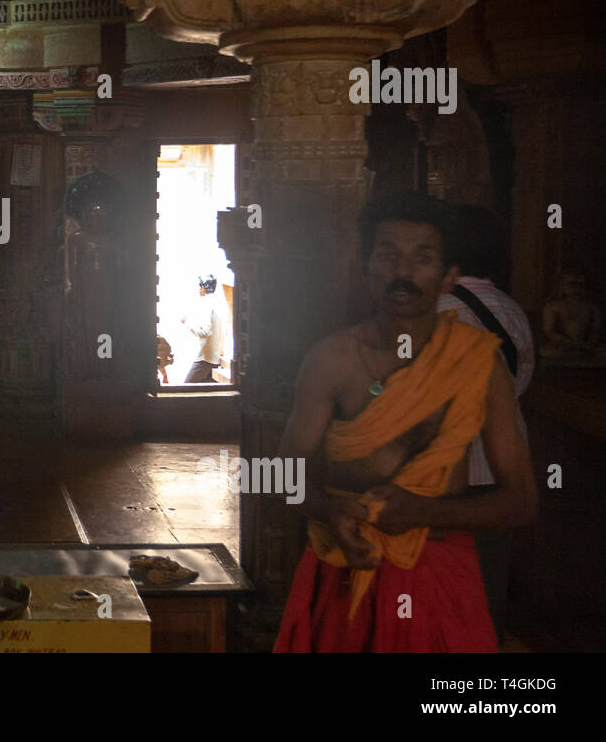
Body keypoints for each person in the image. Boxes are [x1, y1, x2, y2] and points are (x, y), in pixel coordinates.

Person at [274, 191, 537, 652]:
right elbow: (281, 477)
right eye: (387, 255)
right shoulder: (330, 360)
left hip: (442, 572)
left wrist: (424, 513)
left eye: (422, 258)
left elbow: (522, 501)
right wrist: (328, 511)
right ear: (365, 267)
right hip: (345, 564)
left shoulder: (476, 362)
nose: (403, 273)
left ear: (449, 274)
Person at [436, 204, 534, 638]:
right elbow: (518, 386)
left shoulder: (437, 311)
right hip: (503, 472)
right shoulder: (512, 311)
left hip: (448, 477)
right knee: (485, 595)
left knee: (441, 595)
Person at [181, 275, 224, 383]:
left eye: (200, 286)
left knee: (185, 389)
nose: (199, 289)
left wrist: (187, 323)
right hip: (215, 357)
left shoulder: (207, 304)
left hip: (206, 358)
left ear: (204, 287)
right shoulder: (217, 304)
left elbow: (204, 332)